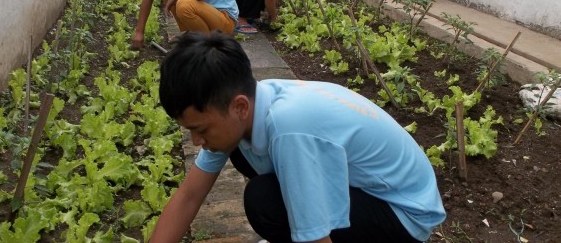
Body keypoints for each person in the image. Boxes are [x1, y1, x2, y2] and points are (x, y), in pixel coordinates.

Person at [151, 31, 446, 242]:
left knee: (264, 201)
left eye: (200, 130)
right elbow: (189, 196)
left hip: (404, 215)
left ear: (239, 106)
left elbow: (316, 237)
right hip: (369, 190)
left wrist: (308, 229)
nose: (196, 141)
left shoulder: (289, 127)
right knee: (240, 151)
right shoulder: (247, 103)